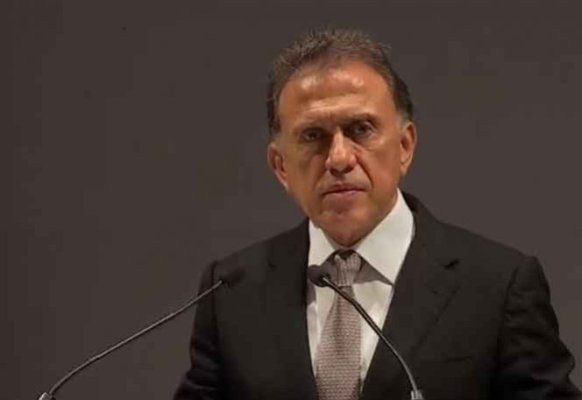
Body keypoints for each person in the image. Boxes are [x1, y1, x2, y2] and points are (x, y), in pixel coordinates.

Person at [174, 28, 581, 400]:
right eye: (313, 136)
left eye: (360, 129)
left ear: (405, 146)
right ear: (281, 166)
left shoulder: (497, 286)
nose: (339, 158)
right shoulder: (232, 291)